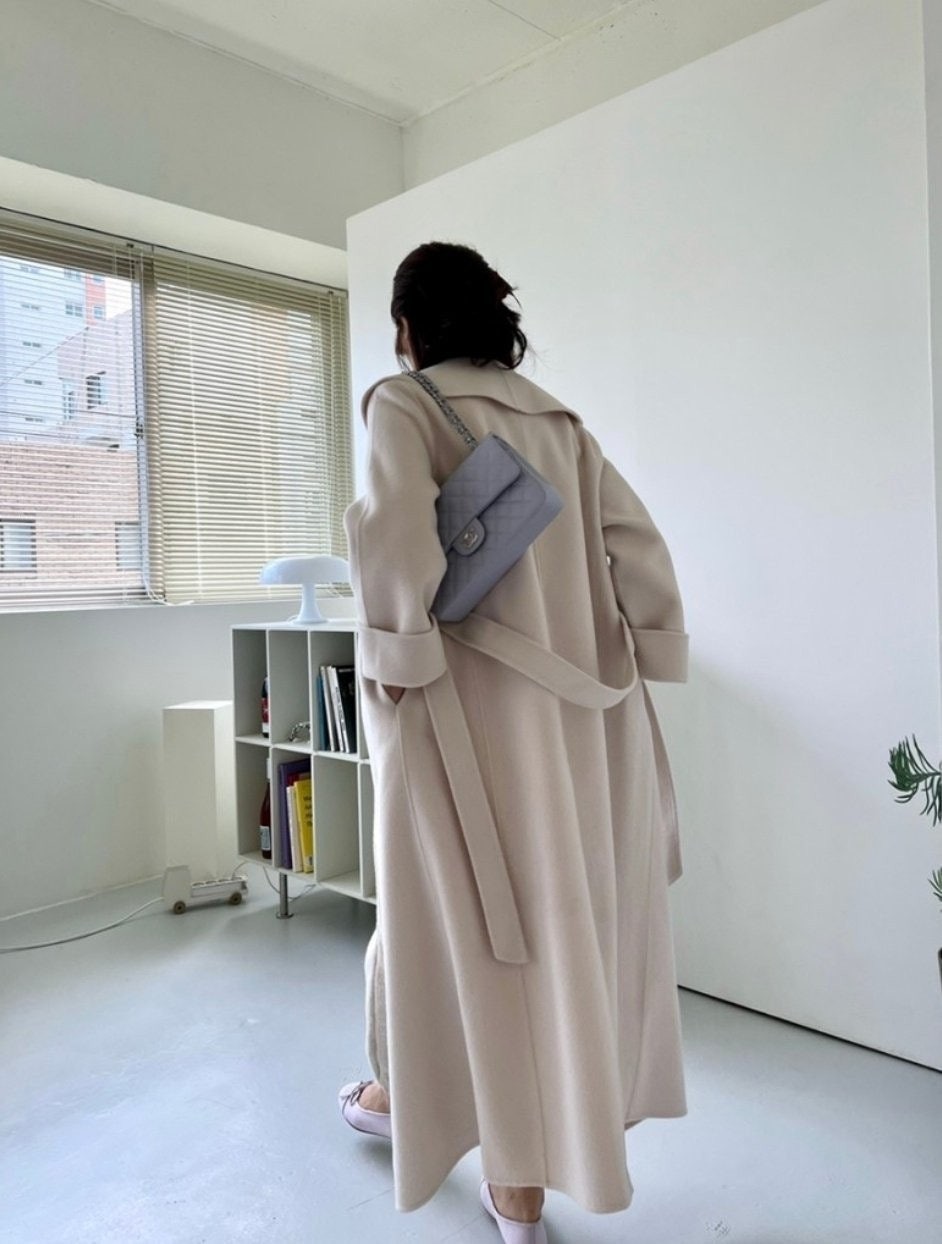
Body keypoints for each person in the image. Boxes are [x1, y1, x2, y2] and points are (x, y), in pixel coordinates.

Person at [338, 241, 689, 1243]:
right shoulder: (559, 422)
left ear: (408, 326)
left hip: (459, 717)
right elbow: (639, 547)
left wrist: (395, 667)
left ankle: (453, 1135)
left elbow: (396, 549)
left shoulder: (404, 405)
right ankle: (526, 1180)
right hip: (578, 728)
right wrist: (654, 644)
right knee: (556, 930)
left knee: (447, 926)